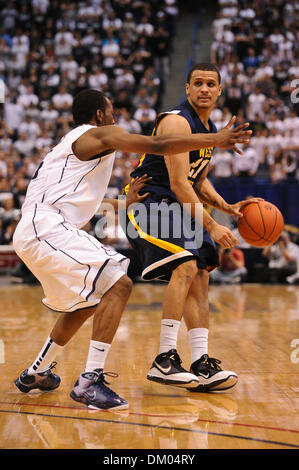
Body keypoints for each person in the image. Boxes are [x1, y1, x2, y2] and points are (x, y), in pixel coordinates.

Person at [13, 88, 251, 410]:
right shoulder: (98, 134)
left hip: (39, 229)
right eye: (111, 112)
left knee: (85, 303)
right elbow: (158, 145)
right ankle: (89, 381)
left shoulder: (70, 149)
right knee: (119, 280)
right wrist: (215, 140)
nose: (115, 119)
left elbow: (84, 201)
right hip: (47, 227)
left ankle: (37, 372)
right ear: (100, 115)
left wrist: (123, 204)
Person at [124, 63, 261, 392]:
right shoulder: (175, 121)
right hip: (148, 203)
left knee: (201, 273)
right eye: (197, 83)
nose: (203, 88)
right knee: (186, 263)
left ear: (219, 91)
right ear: (186, 89)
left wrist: (226, 207)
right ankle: (165, 359)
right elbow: (177, 183)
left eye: (210, 84)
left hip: (175, 206)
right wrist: (213, 226)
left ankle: (202, 362)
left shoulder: (208, 127)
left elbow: (197, 179)